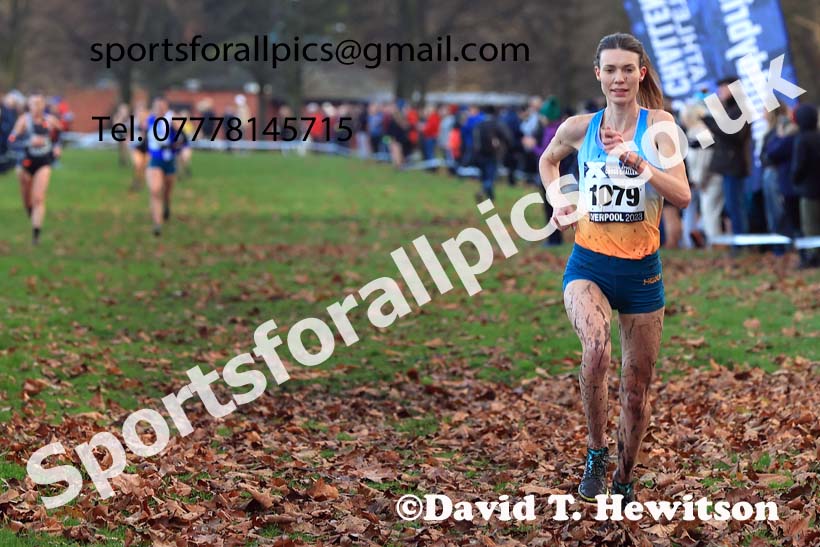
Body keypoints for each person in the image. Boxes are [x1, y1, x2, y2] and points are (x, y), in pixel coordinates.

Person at [539, 33, 690, 505]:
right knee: (597, 349)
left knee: (637, 390)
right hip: (589, 265)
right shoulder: (578, 127)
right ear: (598, 74)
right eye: (611, 69)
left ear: (641, 73)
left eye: (628, 69)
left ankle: (623, 480)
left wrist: (638, 161)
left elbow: (682, 195)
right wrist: (558, 197)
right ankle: (596, 453)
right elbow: (548, 161)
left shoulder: (660, 125)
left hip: (642, 273)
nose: (619, 78)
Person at [8, 93, 63, 244]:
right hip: (25, 163)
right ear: (29, 105)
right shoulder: (23, 121)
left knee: (38, 198)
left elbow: (60, 133)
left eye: (40, 103)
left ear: (44, 105)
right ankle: (32, 215)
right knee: (27, 200)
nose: (37, 106)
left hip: (43, 162)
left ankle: (36, 233)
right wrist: (28, 141)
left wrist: (57, 146)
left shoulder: (50, 120)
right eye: (34, 103)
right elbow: (11, 140)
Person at [702, 77, 752, 237]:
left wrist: (708, 121)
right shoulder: (729, 110)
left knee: (736, 207)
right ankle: (737, 241)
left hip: (734, 167)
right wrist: (698, 142)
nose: (719, 92)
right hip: (727, 167)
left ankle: (742, 243)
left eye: (723, 88)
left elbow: (734, 135)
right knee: (731, 208)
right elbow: (720, 138)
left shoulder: (741, 109)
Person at [145, 97, 183, 236]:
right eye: (157, 107)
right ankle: (157, 223)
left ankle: (167, 206)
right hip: (155, 160)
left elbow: (183, 135)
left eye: (162, 107)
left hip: (169, 160)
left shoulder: (171, 120)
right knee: (155, 190)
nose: (159, 109)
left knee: (166, 192)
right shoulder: (149, 120)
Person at [791, 103, 820, 268]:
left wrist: (795, 180)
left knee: (810, 225)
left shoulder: (802, 140)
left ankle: (813, 257)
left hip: (808, 190)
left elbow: (799, 166)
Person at [472, 105, 512, 202]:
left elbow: (475, 140)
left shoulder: (479, 125)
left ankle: (491, 198)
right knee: (491, 177)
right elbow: (508, 137)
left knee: (485, 176)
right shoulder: (497, 124)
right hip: (493, 154)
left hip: (480, 154)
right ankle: (482, 191)